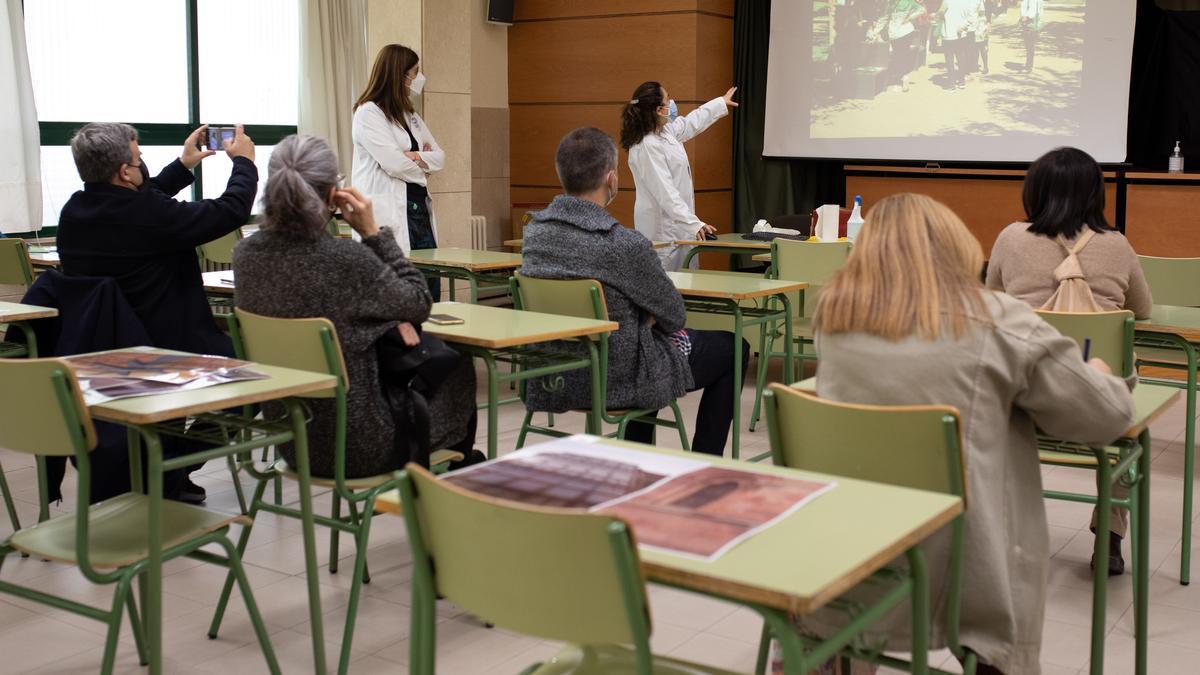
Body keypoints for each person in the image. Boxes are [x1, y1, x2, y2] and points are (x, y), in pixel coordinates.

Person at [803, 193, 1135, 675]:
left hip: (854, 552)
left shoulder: (833, 320)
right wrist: (1100, 374)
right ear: (956, 246)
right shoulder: (998, 322)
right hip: (970, 563)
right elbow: (1103, 417)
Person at [233, 135, 477, 479]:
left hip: (293, 442)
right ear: (334, 193)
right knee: (457, 365)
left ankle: (454, 472)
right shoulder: (346, 260)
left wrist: (382, 325)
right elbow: (420, 302)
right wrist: (374, 233)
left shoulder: (246, 256)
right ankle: (448, 486)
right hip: (364, 446)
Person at [56, 121, 258, 504]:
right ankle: (169, 465)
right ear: (125, 171)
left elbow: (138, 207)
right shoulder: (146, 214)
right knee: (258, 379)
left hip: (105, 353)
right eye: (137, 156)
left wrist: (183, 167)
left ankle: (164, 470)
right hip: (169, 351)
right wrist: (244, 163)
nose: (143, 160)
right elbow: (230, 211)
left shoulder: (74, 212)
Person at [521, 127, 748, 456]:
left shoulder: (535, 235)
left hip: (554, 374)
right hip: (618, 380)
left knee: (644, 341)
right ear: (611, 178)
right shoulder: (623, 244)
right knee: (733, 349)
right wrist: (644, 316)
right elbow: (674, 315)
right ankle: (704, 463)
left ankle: (637, 455)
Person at [987, 146, 1152, 575]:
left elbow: (991, 304)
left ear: (1036, 190)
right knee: (1129, 425)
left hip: (1020, 401)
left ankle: (1004, 531)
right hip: (1100, 406)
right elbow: (1143, 309)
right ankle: (1110, 538)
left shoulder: (1010, 238)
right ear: (1096, 194)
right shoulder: (1117, 245)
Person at [351, 43, 445, 299]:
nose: (419, 78)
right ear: (400, 75)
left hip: (418, 212)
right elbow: (393, 163)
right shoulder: (368, 113)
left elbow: (440, 157)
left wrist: (414, 156)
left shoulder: (409, 114)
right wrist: (422, 168)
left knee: (429, 289)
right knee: (400, 293)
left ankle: (430, 338)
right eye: (415, 72)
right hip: (389, 213)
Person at [621, 81, 738, 271]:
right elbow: (665, 192)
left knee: (686, 283)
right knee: (667, 287)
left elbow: (690, 123)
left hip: (679, 228)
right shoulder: (647, 145)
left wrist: (719, 103)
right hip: (662, 232)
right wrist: (693, 223)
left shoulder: (665, 131)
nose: (672, 103)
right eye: (668, 100)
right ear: (659, 110)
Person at [939, 0, 979, 90]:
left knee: (949, 59)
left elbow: (940, 14)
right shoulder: (967, 2)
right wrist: (963, 26)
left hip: (948, 34)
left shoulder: (946, 1)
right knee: (961, 58)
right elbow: (972, 18)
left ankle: (951, 83)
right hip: (961, 34)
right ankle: (961, 81)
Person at [1019, 0, 1044, 73]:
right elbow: (1041, 13)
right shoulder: (1027, 2)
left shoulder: (1034, 2)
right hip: (1031, 26)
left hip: (1030, 25)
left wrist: (1025, 18)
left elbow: (1032, 13)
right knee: (1030, 47)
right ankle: (1029, 65)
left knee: (1030, 47)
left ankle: (1028, 66)